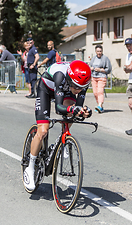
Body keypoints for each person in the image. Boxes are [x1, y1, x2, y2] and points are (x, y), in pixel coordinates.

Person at [23, 60, 92, 191]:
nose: (78, 91)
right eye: (76, 87)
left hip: (65, 89)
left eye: (81, 88)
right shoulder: (60, 75)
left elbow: (78, 105)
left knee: (72, 112)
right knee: (43, 130)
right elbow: (59, 109)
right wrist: (72, 109)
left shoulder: (82, 82)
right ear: (70, 80)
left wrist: (83, 112)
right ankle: (30, 167)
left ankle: (63, 139)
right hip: (46, 89)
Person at [89, 45, 112, 113]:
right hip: (94, 77)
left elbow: (108, 69)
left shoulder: (105, 58)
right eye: (98, 51)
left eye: (100, 51)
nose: (99, 53)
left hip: (102, 77)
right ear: (95, 51)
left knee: (100, 92)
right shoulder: (93, 58)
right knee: (95, 93)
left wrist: (100, 70)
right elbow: (90, 66)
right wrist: (91, 69)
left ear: (102, 51)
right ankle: (100, 106)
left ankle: (100, 105)